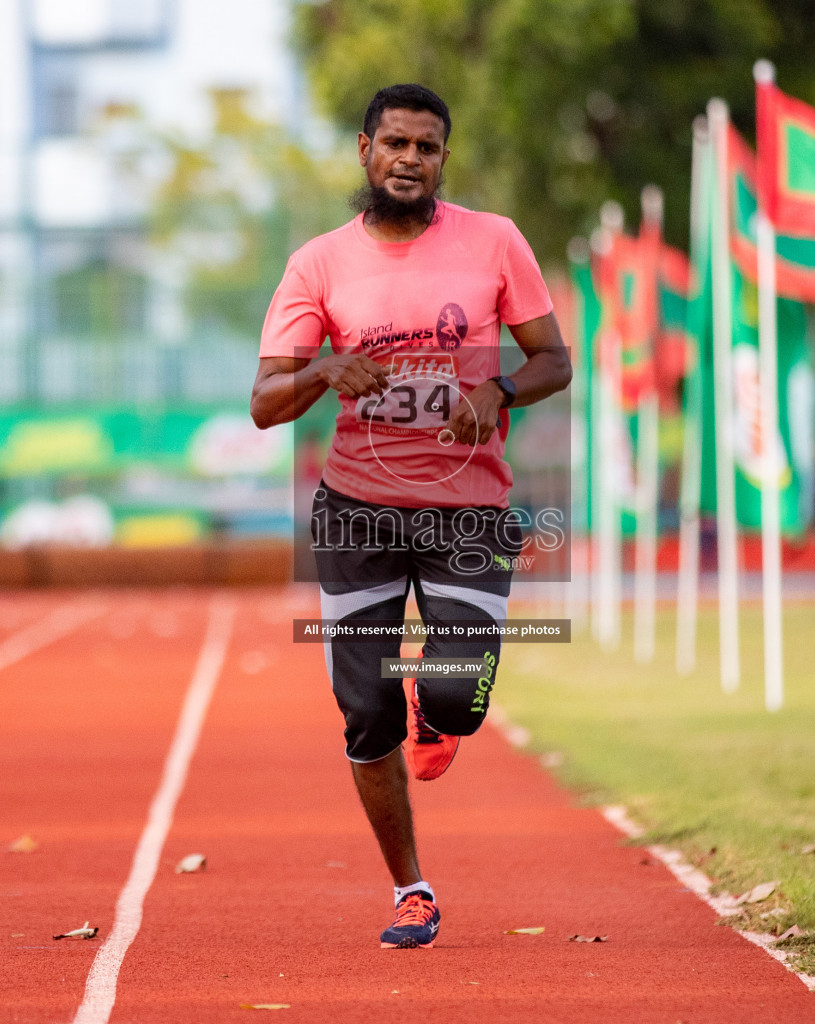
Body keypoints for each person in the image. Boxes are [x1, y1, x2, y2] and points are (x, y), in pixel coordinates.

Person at [251, 84, 571, 950]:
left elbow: (554, 361)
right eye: (395, 143)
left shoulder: (495, 241)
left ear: (442, 160)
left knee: (454, 699)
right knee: (366, 716)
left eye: (427, 148)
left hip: (467, 511)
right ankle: (412, 890)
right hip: (357, 513)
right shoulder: (318, 265)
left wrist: (496, 386)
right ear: (365, 151)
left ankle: (438, 710)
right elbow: (263, 403)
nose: (410, 160)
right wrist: (325, 373)